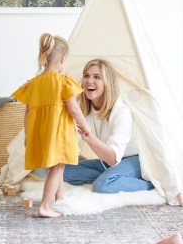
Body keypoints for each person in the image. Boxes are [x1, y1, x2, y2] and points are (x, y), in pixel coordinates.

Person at [12, 33, 89, 218]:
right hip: (59, 133)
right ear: (63, 59)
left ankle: (59, 196)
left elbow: (28, 112)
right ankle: (45, 206)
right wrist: (85, 126)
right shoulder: (63, 81)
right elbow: (74, 109)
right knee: (58, 168)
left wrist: (28, 136)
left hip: (41, 133)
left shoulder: (33, 84)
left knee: (56, 166)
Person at [63, 58, 154, 193]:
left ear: (107, 83)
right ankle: (112, 177)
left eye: (97, 77)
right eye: (86, 76)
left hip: (134, 159)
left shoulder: (121, 111)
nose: (89, 81)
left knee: (102, 186)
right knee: (60, 171)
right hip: (106, 161)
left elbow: (113, 159)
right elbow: (71, 140)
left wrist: (89, 138)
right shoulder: (83, 110)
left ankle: (151, 185)